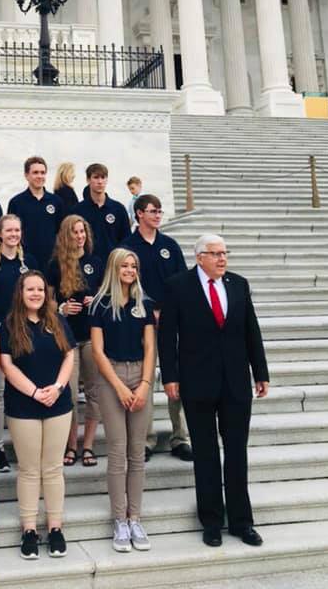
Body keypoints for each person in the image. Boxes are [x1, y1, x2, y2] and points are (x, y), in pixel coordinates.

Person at [159, 234, 269, 549]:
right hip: (197, 382)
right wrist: (170, 377)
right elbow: (167, 336)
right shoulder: (178, 286)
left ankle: (241, 521)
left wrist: (260, 372)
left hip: (236, 382)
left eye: (225, 253)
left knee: (236, 452)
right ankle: (211, 522)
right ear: (200, 257)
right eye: (215, 253)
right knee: (206, 453)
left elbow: (252, 330)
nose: (222, 258)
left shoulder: (238, 284)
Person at [0, 271, 76, 560]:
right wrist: (34, 392)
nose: (35, 294)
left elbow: (69, 354)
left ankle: (55, 527)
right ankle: (29, 529)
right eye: (30, 289)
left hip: (57, 403)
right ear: (21, 292)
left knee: (53, 468)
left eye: (40, 290)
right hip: (23, 406)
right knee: (30, 470)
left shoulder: (57, 321)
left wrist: (57, 387)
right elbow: (6, 365)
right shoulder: (9, 325)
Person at [90, 248, 155, 553]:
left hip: (140, 374)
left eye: (134, 265)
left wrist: (144, 384)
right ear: (114, 268)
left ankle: (135, 517)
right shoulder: (101, 305)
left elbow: (150, 348)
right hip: (111, 375)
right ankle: (119, 519)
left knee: (137, 451)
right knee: (117, 450)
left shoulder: (145, 304)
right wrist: (118, 386)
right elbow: (98, 352)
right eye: (125, 265)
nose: (130, 269)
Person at [123, 194, 193, 463]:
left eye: (160, 211)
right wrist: (150, 308)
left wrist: (170, 311)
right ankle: (145, 439)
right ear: (139, 213)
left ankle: (181, 437)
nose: (157, 215)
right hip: (141, 322)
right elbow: (125, 283)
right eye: (153, 211)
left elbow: (183, 282)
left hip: (172, 323)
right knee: (145, 380)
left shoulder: (170, 245)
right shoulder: (128, 246)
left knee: (177, 377)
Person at [0, 214, 38, 473]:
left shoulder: (31, 262)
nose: (14, 234)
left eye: (18, 230)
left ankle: (28, 443)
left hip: (28, 333)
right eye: (9, 230)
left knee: (29, 386)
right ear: (0, 235)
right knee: (1, 393)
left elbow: (40, 296)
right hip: (2, 333)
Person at [48, 214, 103, 467]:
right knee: (68, 393)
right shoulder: (55, 265)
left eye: (83, 232)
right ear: (66, 236)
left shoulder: (96, 262)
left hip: (92, 336)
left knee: (93, 392)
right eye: (75, 233)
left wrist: (97, 302)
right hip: (67, 338)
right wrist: (61, 308)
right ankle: (71, 444)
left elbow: (110, 296)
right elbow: (45, 303)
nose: (80, 236)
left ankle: (88, 445)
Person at [8, 156, 64, 271]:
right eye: (35, 172)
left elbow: (61, 233)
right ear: (26, 175)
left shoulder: (56, 201)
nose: (40, 176)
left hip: (51, 261)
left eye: (43, 173)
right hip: (24, 261)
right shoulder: (16, 202)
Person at [74, 163, 130, 263]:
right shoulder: (78, 210)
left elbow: (126, 240)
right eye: (96, 177)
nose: (100, 182)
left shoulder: (118, 209)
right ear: (88, 180)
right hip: (87, 265)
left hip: (113, 265)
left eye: (103, 177)